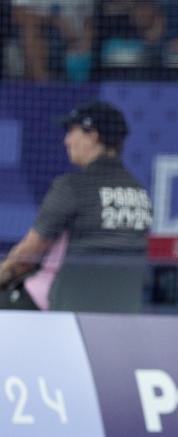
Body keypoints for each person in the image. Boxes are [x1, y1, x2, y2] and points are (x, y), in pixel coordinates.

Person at [0, 101, 153, 312]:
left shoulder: (71, 188)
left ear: (93, 136)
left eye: (72, 132)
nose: (66, 141)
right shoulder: (141, 195)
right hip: (117, 312)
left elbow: (26, 257)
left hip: (56, 306)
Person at [10, 0, 97, 82]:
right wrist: (55, 20)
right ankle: (43, 83)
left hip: (73, 35)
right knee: (31, 29)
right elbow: (18, 14)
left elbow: (90, 20)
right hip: (40, 31)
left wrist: (84, 43)